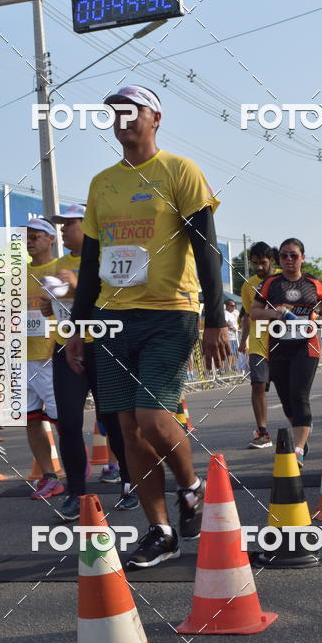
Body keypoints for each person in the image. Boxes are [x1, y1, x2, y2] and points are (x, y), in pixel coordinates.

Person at [66, 84, 229, 568]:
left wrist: (215, 320)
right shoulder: (102, 184)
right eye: (114, 112)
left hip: (169, 312)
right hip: (111, 318)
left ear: (155, 117)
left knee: (154, 418)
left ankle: (192, 486)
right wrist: (79, 328)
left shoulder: (180, 171)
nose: (122, 119)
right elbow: (92, 263)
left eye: (131, 111)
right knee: (126, 427)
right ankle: (159, 530)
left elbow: (206, 248)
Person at [39, 203, 138, 521]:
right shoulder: (56, 265)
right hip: (65, 347)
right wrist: (48, 307)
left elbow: (114, 297)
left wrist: (76, 284)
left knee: (112, 420)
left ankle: (128, 483)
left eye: (69, 224)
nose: (63, 230)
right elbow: (53, 309)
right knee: (68, 422)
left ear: (87, 226)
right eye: (61, 225)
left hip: (104, 345)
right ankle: (76, 493)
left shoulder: (108, 259)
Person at [250, 237, 322, 468]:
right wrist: (275, 313)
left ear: (302, 258)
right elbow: (255, 312)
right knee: (287, 401)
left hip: (307, 345)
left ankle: (297, 450)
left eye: (293, 255)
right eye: (284, 255)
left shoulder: (313, 282)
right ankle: (301, 435)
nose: (288, 259)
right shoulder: (271, 284)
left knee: (299, 396)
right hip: (278, 347)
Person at [25, 217, 63, 500]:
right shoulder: (18, 274)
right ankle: (49, 476)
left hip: (51, 356)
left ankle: (74, 469)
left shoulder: (60, 270)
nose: (30, 240)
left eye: (36, 235)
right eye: (27, 236)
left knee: (62, 420)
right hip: (22, 356)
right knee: (31, 420)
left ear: (51, 239)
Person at [239, 241, 280, 448]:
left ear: (271, 260)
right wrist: (242, 340)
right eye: (255, 263)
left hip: (285, 342)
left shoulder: (285, 279)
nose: (259, 268)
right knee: (257, 385)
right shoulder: (248, 285)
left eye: (263, 263)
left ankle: (300, 428)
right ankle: (262, 432)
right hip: (258, 343)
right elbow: (248, 315)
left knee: (290, 390)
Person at [224, 299, 239, 369]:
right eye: (232, 306)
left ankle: (234, 367)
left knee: (235, 353)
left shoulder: (232, 313)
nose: (234, 307)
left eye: (234, 306)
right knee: (230, 353)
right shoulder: (226, 313)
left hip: (234, 337)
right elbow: (225, 321)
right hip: (229, 337)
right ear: (227, 306)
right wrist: (232, 327)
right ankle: (229, 368)